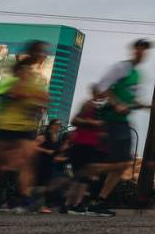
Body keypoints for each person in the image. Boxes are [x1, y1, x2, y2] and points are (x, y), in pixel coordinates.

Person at [0, 42, 49, 212]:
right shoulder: (11, 82)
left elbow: (44, 102)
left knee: (26, 163)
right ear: (19, 71)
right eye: (24, 71)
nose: (27, 74)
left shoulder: (37, 83)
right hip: (5, 127)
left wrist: (38, 104)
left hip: (26, 129)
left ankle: (23, 199)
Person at [87, 38, 152, 217]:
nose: (142, 53)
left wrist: (146, 106)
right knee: (118, 163)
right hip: (110, 119)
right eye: (139, 49)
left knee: (122, 164)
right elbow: (101, 87)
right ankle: (86, 173)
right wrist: (116, 103)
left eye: (145, 50)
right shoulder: (121, 68)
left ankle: (100, 200)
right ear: (134, 51)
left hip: (122, 121)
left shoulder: (137, 75)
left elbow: (132, 101)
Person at [62, 85, 106, 215]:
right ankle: (73, 204)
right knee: (81, 176)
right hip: (83, 143)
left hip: (92, 144)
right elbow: (74, 120)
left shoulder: (101, 108)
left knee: (83, 177)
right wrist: (92, 123)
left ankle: (71, 204)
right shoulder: (88, 105)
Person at [34, 119, 65, 213]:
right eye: (57, 124)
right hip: (41, 162)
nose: (59, 127)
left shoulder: (57, 137)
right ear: (51, 125)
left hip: (51, 164)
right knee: (41, 183)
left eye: (60, 125)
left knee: (47, 184)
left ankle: (42, 205)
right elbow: (34, 146)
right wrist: (46, 151)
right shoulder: (45, 135)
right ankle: (36, 205)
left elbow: (57, 151)